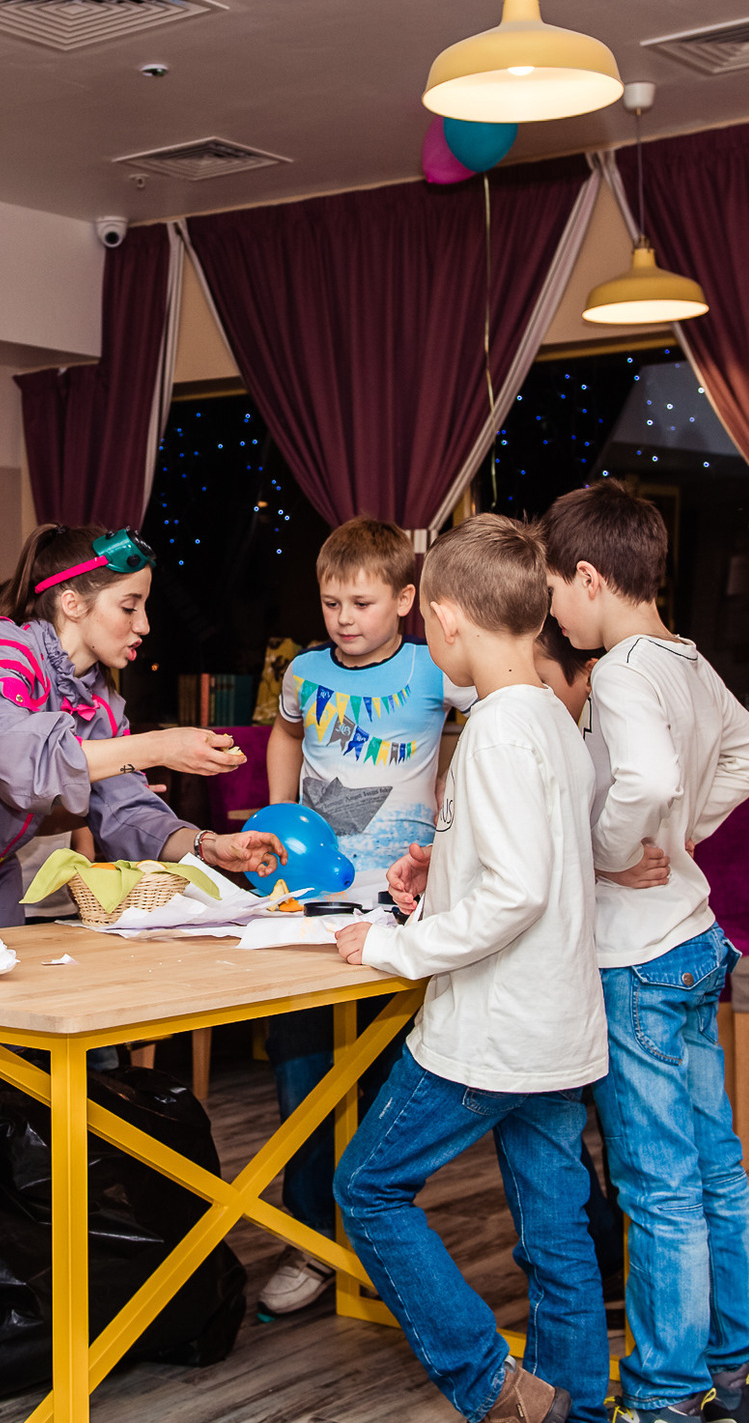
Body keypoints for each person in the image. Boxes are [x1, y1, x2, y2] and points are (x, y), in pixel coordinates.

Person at [330, 514, 609, 1423]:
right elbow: (533, 864)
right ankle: (571, 1406)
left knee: (367, 1187)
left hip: (490, 1030)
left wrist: (392, 946)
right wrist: (439, 872)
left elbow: (519, 891)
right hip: (560, 1025)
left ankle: (492, 1386)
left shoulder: (492, 731)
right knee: (556, 1233)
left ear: (444, 619)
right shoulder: (553, 722)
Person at [542, 480, 749, 1423]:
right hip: (694, 940)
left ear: (591, 578)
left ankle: (668, 1395)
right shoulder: (684, 657)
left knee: (657, 1187)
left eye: (556, 589)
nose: (553, 611)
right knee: (714, 1167)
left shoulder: (628, 670)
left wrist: (615, 852)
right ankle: (735, 1375)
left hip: (637, 956)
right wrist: (678, 838)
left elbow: (641, 777)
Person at [255, 516, 475, 1316]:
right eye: (330, 602)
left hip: (400, 907)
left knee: (384, 1081)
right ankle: (310, 1243)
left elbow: (490, 724)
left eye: (361, 602)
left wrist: (456, 812)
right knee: (302, 1076)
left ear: (406, 599)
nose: (344, 618)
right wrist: (275, 815)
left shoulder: (435, 670)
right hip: (308, 903)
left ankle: (376, 1244)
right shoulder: (305, 671)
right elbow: (285, 734)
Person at [0, 523, 281, 925]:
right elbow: (24, 766)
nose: (144, 625)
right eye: (129, 607)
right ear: (72, 603)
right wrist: (160, 747)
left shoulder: (100, 703)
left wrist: (208, 845)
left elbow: (126, 809)